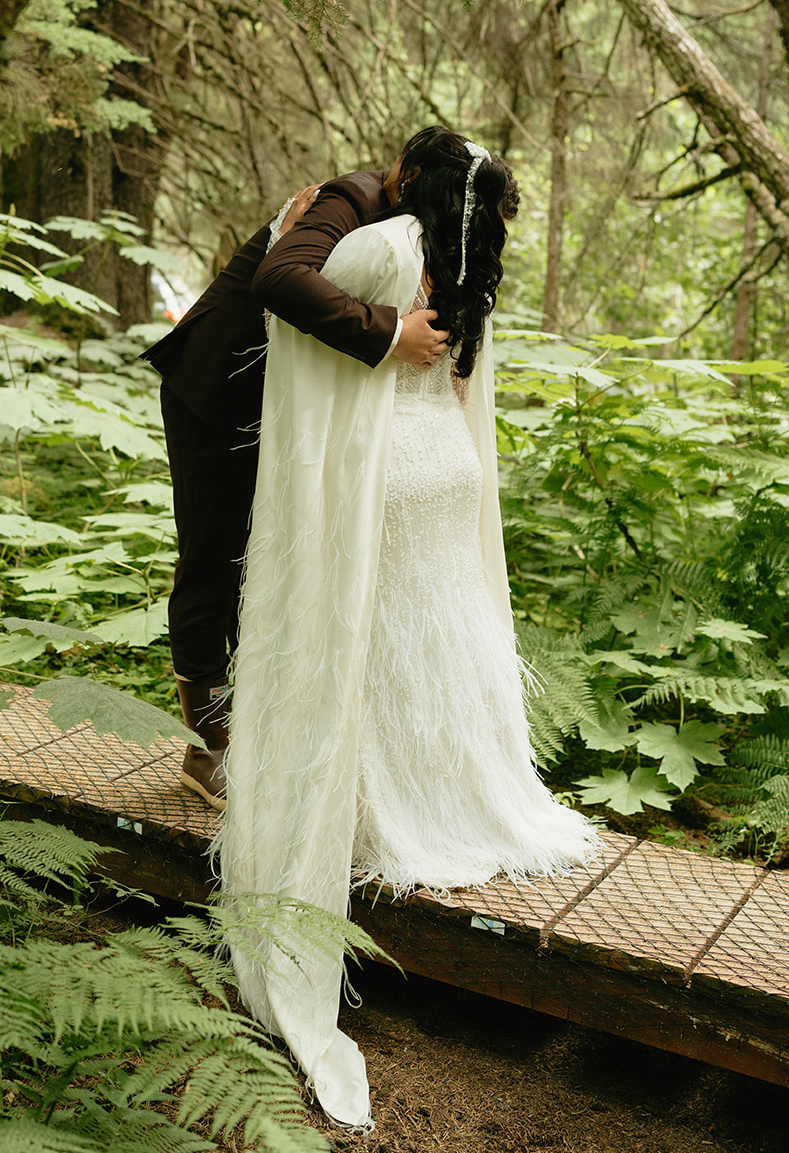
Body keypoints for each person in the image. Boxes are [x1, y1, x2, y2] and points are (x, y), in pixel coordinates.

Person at [219, 127, 601, 1128]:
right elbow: (462, 378)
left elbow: (291, 298)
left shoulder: (380, 243)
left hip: (382, 468)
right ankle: (453, 798)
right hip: (448, 469)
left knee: (368, 646)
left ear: (414, 177)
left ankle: (372, 812)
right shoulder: (467, 266)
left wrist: (297, 251)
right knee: (433, 644)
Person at [140, 159, 449, 809]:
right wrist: (391, 332)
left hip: (284, 413)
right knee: (213, 563)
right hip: (216, 392)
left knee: (273, 562)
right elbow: (279, 279)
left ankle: (266, 733)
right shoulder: (349, 198)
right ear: (417, 174)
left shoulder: (411, 225)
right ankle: (206, 746)